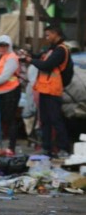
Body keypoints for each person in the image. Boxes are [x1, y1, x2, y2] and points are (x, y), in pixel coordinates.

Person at [23, 25, 71, 158]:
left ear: (56, 34)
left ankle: (63, 148)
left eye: (48, 35)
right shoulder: (52, 49)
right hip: (44, 89)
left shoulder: (61, 50)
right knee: (44, 120)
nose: (47, 38)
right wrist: (29, 55)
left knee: (56, 120)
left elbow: (47, 65)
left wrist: (30, 60)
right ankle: (46, 147)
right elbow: (40, 57)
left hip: (53, 90)